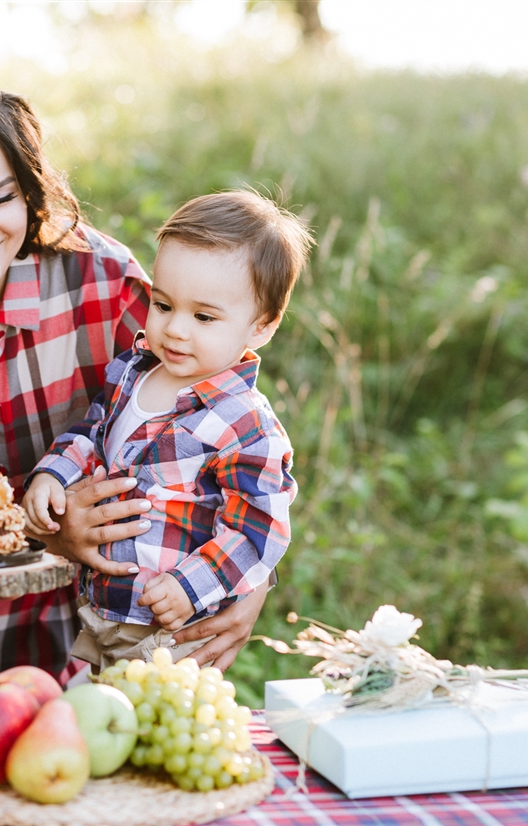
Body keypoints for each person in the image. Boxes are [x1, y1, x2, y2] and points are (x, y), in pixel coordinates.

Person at [0, 64, 271, 686]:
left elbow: (223, 412)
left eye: (1, 197)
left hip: (101, 655)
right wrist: (36, 531)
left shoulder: (100, 285)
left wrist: (251, 573)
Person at [24, 191, 312, 672]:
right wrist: (52, 475)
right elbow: (91, 432)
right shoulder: (133, 371)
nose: (175, 330)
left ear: (261, 327)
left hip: (169, 629)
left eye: (203, 317)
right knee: (85, 721)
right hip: (96, 607)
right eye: (162, 304)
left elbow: (257, 528)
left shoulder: (244, 422)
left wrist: (190, 585)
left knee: (152, 729)